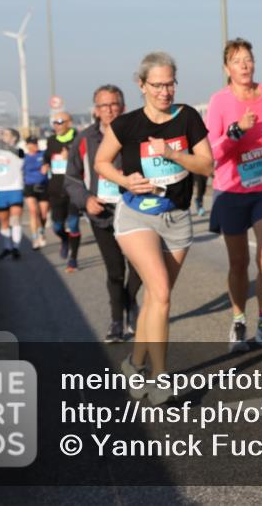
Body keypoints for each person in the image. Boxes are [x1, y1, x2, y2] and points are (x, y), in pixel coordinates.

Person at [95, 52, 213, 404]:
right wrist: (125, 181)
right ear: (142, 85)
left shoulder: (187, 117)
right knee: (160, 293)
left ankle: (133, 363)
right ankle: (161, 377)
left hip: (176, 218)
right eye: (158, 85)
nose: (165, 91)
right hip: (136, 217)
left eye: (170, 83)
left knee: (154, 301)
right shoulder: (127, 125)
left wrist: (175, 154)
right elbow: (102, 163)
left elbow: (206, 166)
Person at [206, 38, 262, 357]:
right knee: (238, 262)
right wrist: (236, 131)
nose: (244, 64)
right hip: (230, 190)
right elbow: (212, 152)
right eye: (237, 60)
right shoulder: (218, 102)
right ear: (226, 68)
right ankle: (239, 320)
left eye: (248, 58)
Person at [67, 84, 144, 344]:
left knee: (140, 269)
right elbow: (71, 178)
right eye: (103, 105)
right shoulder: (84, 140)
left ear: (123, 107)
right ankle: (116, 321)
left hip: (134, 211)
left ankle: (131, 301)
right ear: (96, 111)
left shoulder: (137, 134)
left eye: (114, 104)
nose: (109, 109)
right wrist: (86, 199)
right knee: (114, 271)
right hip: (102, 214)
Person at [44, 112, 83, 271]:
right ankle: (64, 240)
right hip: (56, 189)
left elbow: (86, 162)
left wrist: (71, 158)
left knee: (73, 224)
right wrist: (45, 164)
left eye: (60, 122)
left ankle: (73, 259)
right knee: (57, 227)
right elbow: (47, 157)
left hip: (74, 189)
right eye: (55, 122)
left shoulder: (78, 139)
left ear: (69, 123)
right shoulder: (51, 140)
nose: (57, 125)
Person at [0, 128, 26, 260]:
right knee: (4, 221)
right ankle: (7, 247)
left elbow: (20, 155)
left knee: (15, 219)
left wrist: (7, 145)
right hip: (0, 189)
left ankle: (16, 247)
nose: (2, 136)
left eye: (6, 134)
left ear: (14, 138)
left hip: (15, 188)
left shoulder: (19, 151)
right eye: (2, 134)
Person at [22, 136, 49, 249]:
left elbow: (51, 160)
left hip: (43, 185)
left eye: (36, 143)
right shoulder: (23, 157)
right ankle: (34, 238)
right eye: (32, 143)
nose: (34, 145)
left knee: (43, 214)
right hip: (30, 186)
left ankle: (41, 232)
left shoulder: (43, 154)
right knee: (33, 212)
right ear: (27, 145)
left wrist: (47, 166)